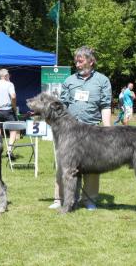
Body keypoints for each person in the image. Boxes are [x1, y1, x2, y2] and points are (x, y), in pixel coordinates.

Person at [49, 46, 111, 210]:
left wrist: (108, 129)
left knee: (92, 167)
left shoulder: (102, 81)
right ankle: (59, 199)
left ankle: (89, 199)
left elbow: (105, 106)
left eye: (80, 61)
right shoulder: (69, 81)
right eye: (76, 60)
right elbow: (62, 106)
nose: (77, 64)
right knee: (64, 165)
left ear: (91, 61)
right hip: (69, 131)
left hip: (92, 130)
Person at [0, 69, 18, 158]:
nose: (9, 76)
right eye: (8, 75)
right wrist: (14, 107)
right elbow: (13, 96)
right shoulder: (9, 84)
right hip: (8, 110)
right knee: (13, 130)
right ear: (6, 76)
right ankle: (9, 150)